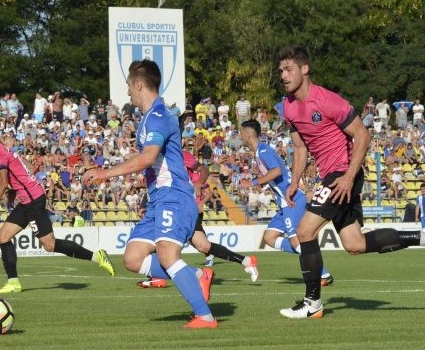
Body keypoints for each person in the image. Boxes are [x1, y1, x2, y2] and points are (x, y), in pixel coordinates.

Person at [276, 45, 424, 319]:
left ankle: (312, 304)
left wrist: (348, 176)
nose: (283, 75)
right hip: (332, 175)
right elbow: (300, 149)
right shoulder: (288, 107)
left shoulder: (328, 100)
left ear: (304, 69)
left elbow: (363, 135)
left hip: (342, 173)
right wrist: (294, 181)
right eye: (281, 71)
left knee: (305, 231)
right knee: (354, 244)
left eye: (288, 69)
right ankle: (420, 236)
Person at [82, 59, 216, 329]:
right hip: (158, 201)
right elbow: (149, 159)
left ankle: (205, 316)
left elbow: (148, 158)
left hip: (173, 196)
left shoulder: (158, 116)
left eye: (129, 86)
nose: (128, 92)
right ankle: (197, 275)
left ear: (139, 84)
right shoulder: (150, 117)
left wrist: (104, 173)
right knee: (132, 258)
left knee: (167, 254)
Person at [0, 126, 114, 294]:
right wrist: (16, 188)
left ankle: (97, 256)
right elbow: (32, 169)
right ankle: (13, 282)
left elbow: (3, 183)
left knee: (49, 245)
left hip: (33, 201)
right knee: (3, 237)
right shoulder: (7, 150)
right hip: (29, 199)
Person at [137, 149, 259, 289]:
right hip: (168, 205)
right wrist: (144, 204)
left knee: (162, 240)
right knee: (203, 246)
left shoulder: (180, 154)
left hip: (183, 208)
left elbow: (204, 170)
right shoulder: (153, 155)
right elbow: (155, 185)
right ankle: (247, 261)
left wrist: (199, 184)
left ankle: (160, 278)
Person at [239, 120, 332, 285]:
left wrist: (254, 182)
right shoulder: (260, 152)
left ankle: (322, 274)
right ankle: (310, 254)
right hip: (285, 202)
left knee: (297, 241)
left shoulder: (263, 150)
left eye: (241, 133)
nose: (240, 137)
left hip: (292, 198)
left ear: (247, 134)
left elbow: (277, 171)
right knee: (269, 238)